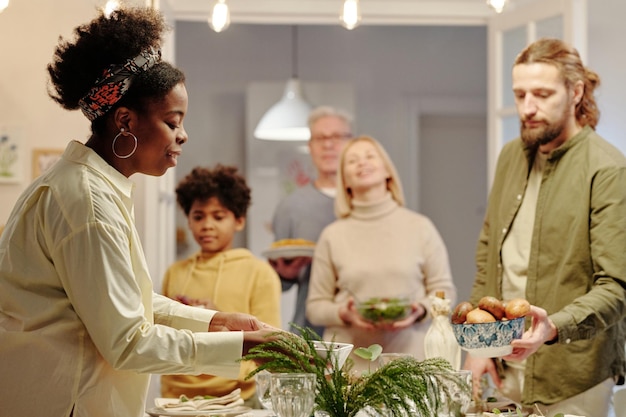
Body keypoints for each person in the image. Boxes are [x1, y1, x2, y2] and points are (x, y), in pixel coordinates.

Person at [0, 7, 282, 417]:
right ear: (126, 121)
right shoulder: (87, 201)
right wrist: (241, 347)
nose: (183, 135)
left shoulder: (88, 187)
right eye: (173, 121)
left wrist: (215, 322)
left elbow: (127, 301)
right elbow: (128, 341)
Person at [463, 38, 626, 417]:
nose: (528, 108)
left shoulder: (607, 169)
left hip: (572, 378)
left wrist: (553, 327)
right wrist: (478, 346)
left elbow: (617, 286)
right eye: (520, 95)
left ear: (576, 92)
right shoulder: (510, 156)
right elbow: (489, 256)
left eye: (542, 94)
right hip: (504, 367)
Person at [306, 135, 457, 371]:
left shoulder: (420, 227)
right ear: (344, 179)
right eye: (352, 161)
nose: (362, 163)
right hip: (349, 371)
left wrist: (419, 310)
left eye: (370, 156)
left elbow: (444, 292)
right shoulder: (332, 235)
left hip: (412, 365)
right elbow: (315, 307)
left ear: (387, 170)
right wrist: (344, 313)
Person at [161, 165, 281, 407]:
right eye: (198, 216)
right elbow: (161, 335)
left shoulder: (259, 273)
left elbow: (270, 346)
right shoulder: (176, 272)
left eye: (218, 216)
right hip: (175, 398)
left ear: (239, 221)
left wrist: (217, 319)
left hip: (237, 399)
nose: (207, 225)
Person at [270, 106, 353, 336]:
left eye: (336, 137)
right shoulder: (291, 207)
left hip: (367, 336)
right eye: (320, 138)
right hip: (310, 336)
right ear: (310, 147)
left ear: (351, 143)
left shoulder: (369, 203)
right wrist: (286, 273)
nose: (328, 145)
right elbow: (281, 285)